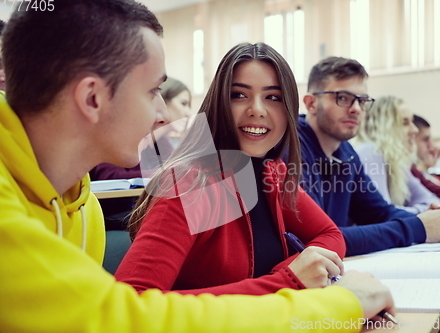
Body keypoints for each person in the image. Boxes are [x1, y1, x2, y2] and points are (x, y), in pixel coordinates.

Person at [0, 1, 395, 332]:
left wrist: (298, 275)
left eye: (273, 97)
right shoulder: (203, 184)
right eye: (154, 90)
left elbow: (327, 233)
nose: (162, 113)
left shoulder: (79, 203)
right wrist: (301, 291)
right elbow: (126, 313)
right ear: (92, 98)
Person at [116, 42, 350, 297]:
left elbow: (330, 234)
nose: (257, 110)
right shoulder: (188, 185)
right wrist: (285, 282)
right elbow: (132, 301)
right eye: (239, 95)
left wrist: (289, 273)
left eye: (273, 97)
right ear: (220, 104)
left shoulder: (273, 172)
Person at [298, 56, 440, 257]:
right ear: (311, 103)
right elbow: (317, 240)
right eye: (342, 98)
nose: (356, 109)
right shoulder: (292, 148)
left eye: (362, 100)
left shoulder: (346, 153)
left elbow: (378, 212)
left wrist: (436, 218)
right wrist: (419, 227)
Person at [90, 77, 192, 230]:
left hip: (146, 213)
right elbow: (110, 177)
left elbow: (176, 170)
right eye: (183, 104)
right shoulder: (119, 134)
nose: (188, 112)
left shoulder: (162, 142)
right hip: (120, 218)